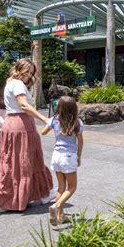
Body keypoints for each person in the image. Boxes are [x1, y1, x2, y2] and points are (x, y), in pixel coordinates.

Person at [0, 58, 54, 214]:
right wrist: (45, 119)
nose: (29, 75)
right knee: (26, 161)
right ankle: (40, 194)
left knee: (13, 162)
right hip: (21, 125)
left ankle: (36, 195)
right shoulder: (17, 84)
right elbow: (24, 105)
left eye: (31, 73)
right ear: (19, 70)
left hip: (12, 123)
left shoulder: (9, 83)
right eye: (27, 72)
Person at [40, 96, 84, 225]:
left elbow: (43, 132)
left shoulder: (54, 120)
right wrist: (79, 156)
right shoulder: (77, 122)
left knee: (61, 187)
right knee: (72, 187)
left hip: (56, 156)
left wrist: (48, 122)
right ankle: (57, 206)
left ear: (59, 107)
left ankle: (60, 216)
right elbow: (80, 141)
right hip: (68, 156)